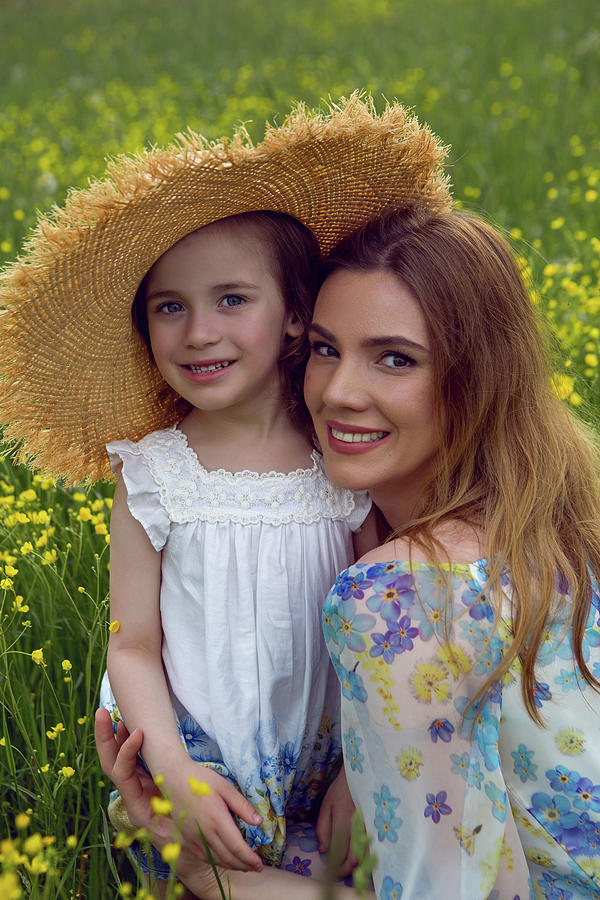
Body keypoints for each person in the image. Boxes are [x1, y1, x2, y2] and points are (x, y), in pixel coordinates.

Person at [0, 96, 452, 898]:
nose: (198, 333)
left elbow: (366, 633)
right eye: (169, 307)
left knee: (389, 847)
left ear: (292, 319)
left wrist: (361, 766)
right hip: (203, 760)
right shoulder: (154, 475)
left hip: (328, 760)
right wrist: (173, 770)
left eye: (231, 300)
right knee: (213, 866)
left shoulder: (340, 462)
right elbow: (132, 644)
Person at [302, 206, 600, 899]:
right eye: (323, 348)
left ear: (480, 375)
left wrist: (216, 879)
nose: (338, 392)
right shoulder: (561, 513)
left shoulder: (396, 599)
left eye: (395, 359)